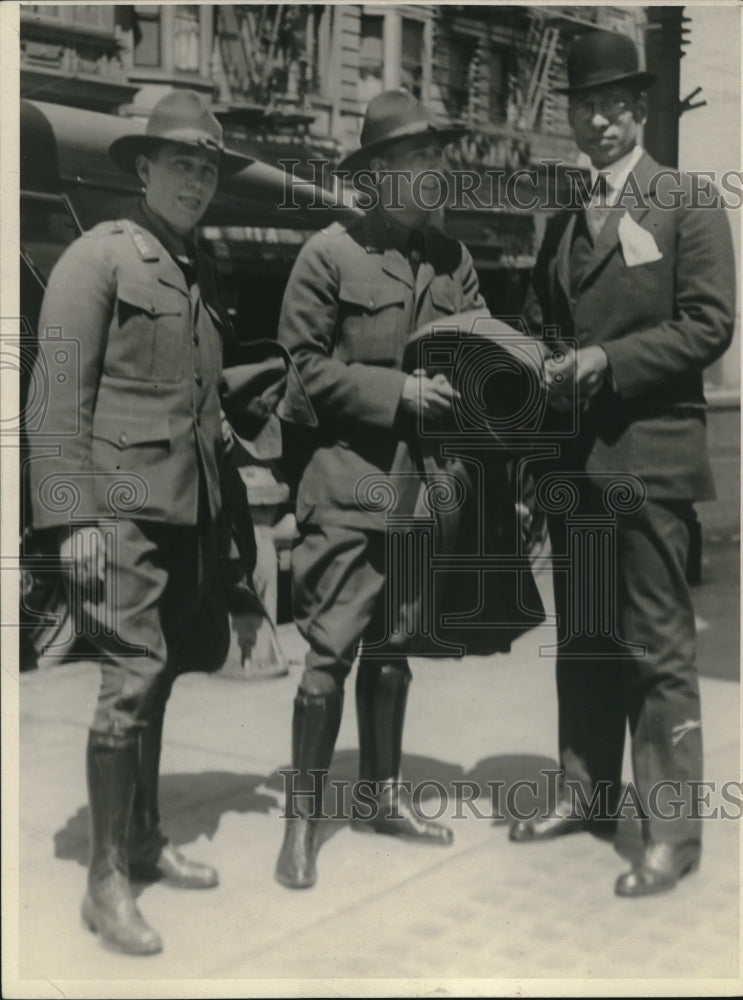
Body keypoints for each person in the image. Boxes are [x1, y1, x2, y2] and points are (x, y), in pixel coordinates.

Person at [27, 90, 253, 955]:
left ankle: (147, 843)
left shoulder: (192, 267)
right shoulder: (100, 258)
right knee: (128, 683)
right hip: (117, 521)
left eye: (207, 168)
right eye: (182, 165)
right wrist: (70, 520)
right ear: (145, 169)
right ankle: (104, 882)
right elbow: (55, 403)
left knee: (156, 680)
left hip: (181, 517)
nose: (196, 180)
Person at [511, 31, 735, 897]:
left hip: (650, 464)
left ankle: (673, 832)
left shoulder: (685, 201)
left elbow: (709, 324)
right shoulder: (562, 221)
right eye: (583, 105)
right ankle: (586, 792)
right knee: (587, 641)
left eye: (613, 105)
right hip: (575, 470)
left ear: (640, 110)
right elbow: (543, 331)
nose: (597, 120)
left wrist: (609, 362)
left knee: (657, 650)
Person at [274, 90, 487, 889]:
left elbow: (480, 350)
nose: (431, 174)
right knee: (327, 657)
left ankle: (381, 797)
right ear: (375, 175)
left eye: (437, 159)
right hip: (344, 488)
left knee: (393, 652)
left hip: (421, 491)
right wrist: (396, 394)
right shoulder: (328, 255)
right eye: (414, 161)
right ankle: (301, 823)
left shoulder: (453, 259)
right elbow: (300, 372)